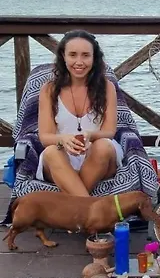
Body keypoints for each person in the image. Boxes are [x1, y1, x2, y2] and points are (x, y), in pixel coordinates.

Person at [37, 30, 123, 196]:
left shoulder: (107, 87)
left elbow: (109, 131)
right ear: (63, 56)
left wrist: (91, 135)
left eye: (85, 55)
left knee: (104, 146)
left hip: (97, 155)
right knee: (51, 152)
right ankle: (86, 206)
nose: (79, 62)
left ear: (94, 58)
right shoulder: (49, 89)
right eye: (73, 55)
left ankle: (74, 204)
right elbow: (45, 137)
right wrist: (63, 139)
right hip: (63, 157)